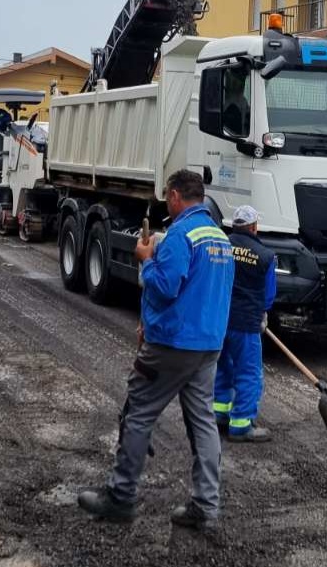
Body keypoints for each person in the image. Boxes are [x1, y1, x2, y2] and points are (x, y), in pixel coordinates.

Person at [78, 169, 234, 530]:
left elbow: (164, 286)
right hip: (208, 345)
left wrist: (145, 259)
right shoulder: (219, 237)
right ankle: (206, 506)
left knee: (138, 414)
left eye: (168, 195)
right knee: (203, 423)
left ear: (176, 196)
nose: (167, 201)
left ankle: (120, 497)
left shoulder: (181, 234)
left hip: (172, 344)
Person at [214, 205, 277, 443]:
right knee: (248, 373)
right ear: (254, 227)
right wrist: (263, 314)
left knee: (223, 367)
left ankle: (219, 413)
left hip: (221, 320)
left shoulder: (220, 245)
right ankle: (241, 424)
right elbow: (268, 295)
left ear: (235, 225)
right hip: (246, 324)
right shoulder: (265, 256)